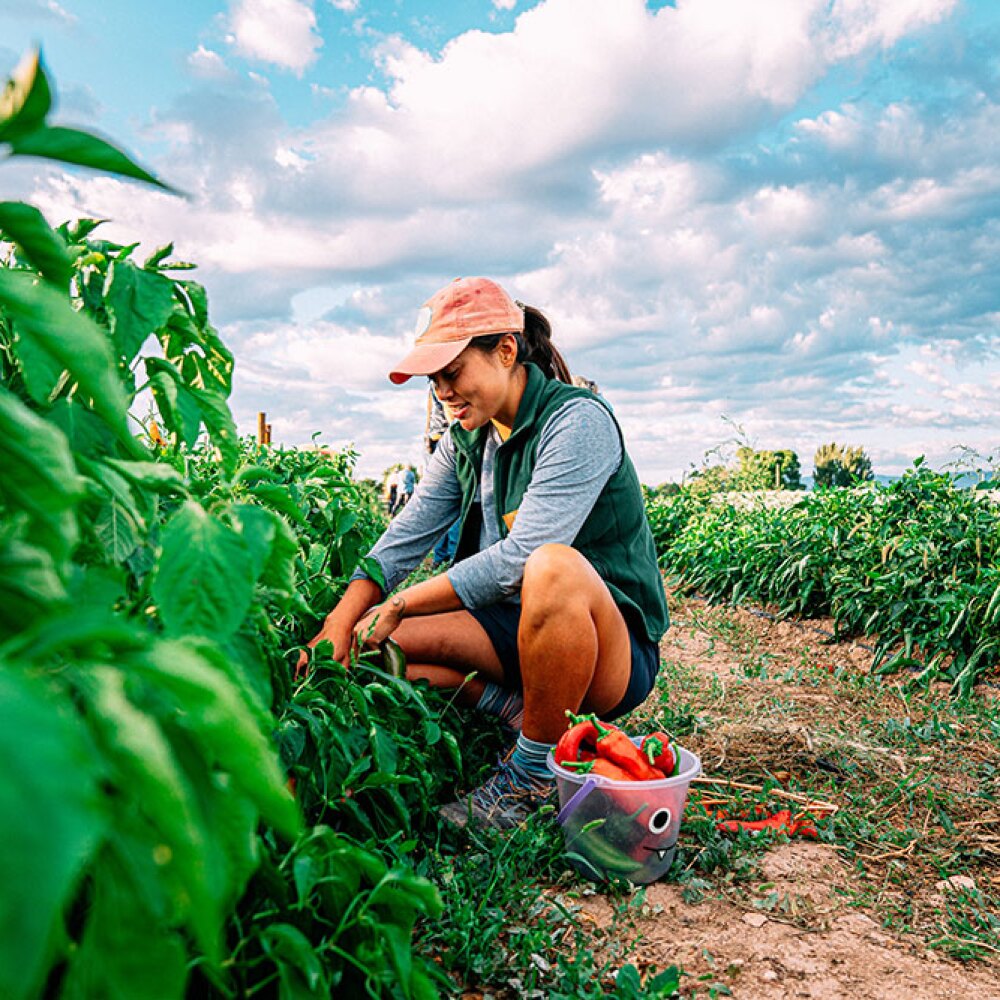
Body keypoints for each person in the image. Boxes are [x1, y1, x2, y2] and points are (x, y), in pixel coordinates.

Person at [300, 276, 669, 829]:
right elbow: (405, 536)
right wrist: (339, 622)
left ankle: (534, 774)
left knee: (551, 565)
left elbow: (521, 559)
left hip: (604, 649)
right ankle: (522, 712)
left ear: (505, 351)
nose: (443, 392)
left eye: (452, 373)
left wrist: (402, 603)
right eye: (433, 380)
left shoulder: (577, 422)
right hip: (516, 631)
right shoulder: (464, 441)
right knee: (370, 649)